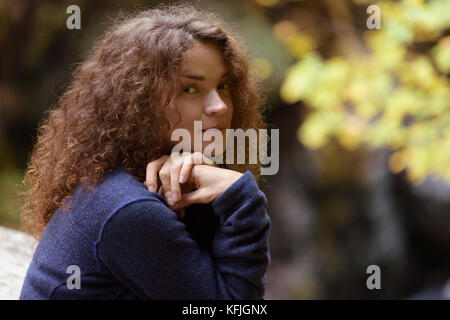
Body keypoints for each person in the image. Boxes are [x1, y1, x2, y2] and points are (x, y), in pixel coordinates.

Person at [19, 4, 271, 300]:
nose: (220, 106)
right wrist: (240, 197)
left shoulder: (133, 176)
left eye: (224, 85)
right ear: (140, 103)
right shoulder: (128, 209)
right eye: (190, 89)